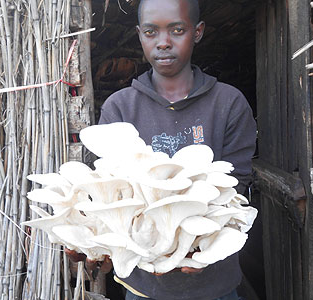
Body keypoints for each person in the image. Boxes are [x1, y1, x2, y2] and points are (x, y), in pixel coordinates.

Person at [67, 0, 257, 299]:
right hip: (143, 286)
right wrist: (91, 242)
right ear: (140, 34)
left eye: (177, 30)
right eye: (151, 32)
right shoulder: (120, 107)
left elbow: (237, 186)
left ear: (197, 32)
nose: (163, 42)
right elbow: (109, 188)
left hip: (214, 284)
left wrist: (197, 246)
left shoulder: (228, 104)